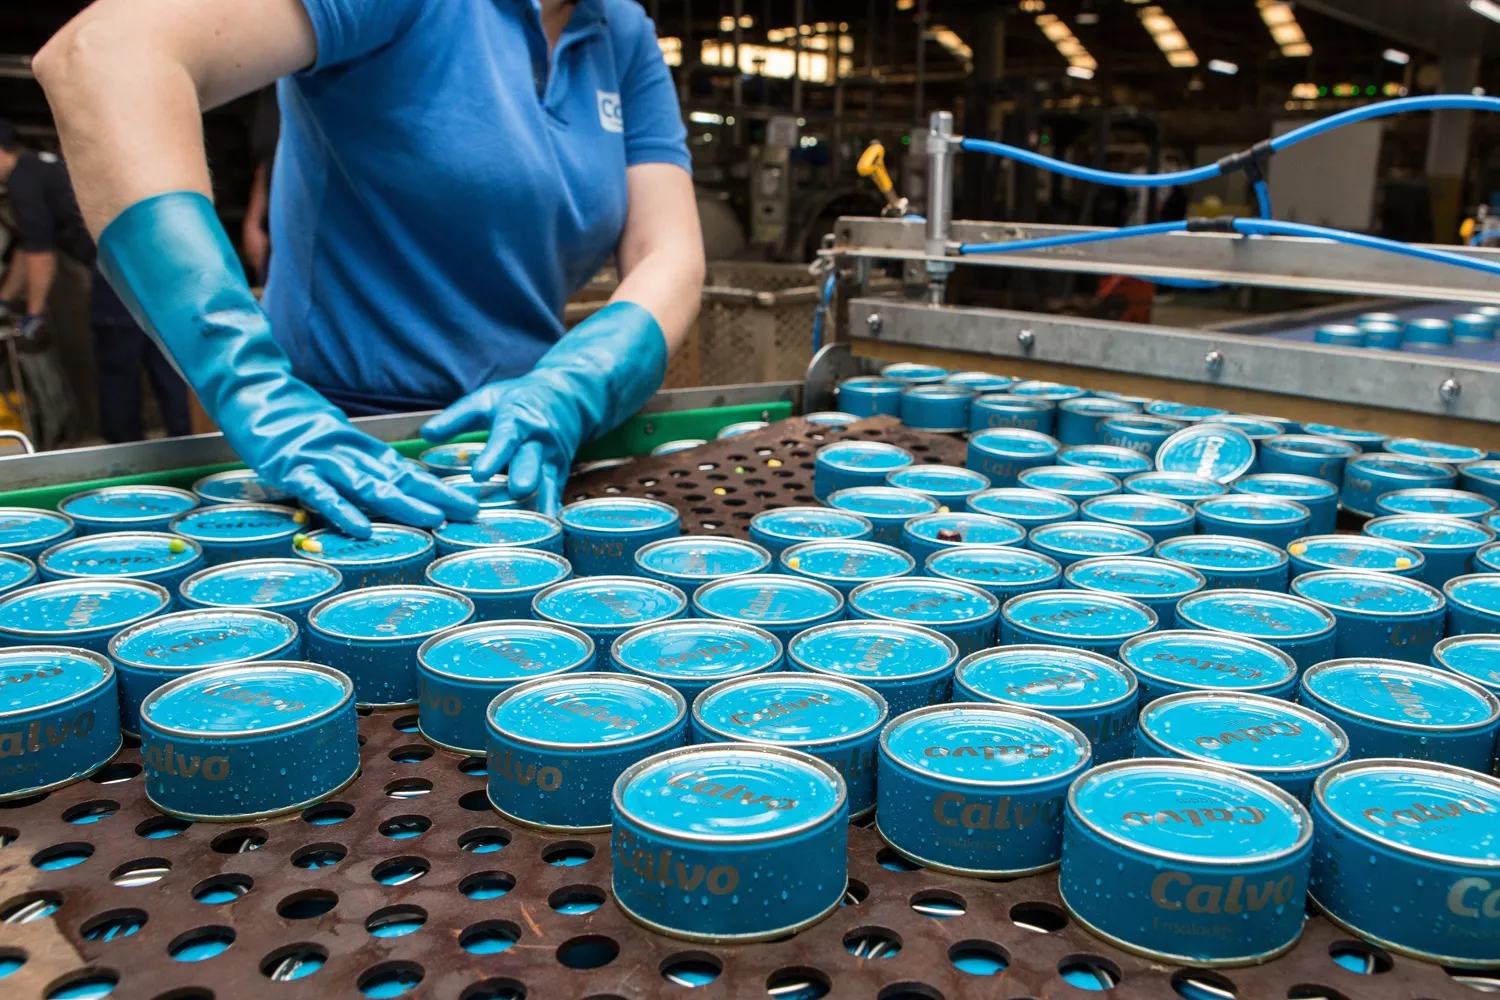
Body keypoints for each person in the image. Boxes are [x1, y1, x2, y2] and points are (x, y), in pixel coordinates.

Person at [34, 0, 705, 535]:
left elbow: (666, 250)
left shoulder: (619, 30)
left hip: (521, 452)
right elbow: (103, 56)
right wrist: (253, 389)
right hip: (334, 446)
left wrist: (574, 385)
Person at [0, 119, 191, 443]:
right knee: (166, 359)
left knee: (118, 369)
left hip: (121, 270)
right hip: (153, 263)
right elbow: (27, 247)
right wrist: (4, 298)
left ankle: (125, 460)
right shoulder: (41, 168)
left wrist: (34, 312)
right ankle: (187, 447)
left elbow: (39, 253)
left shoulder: (23, 181)